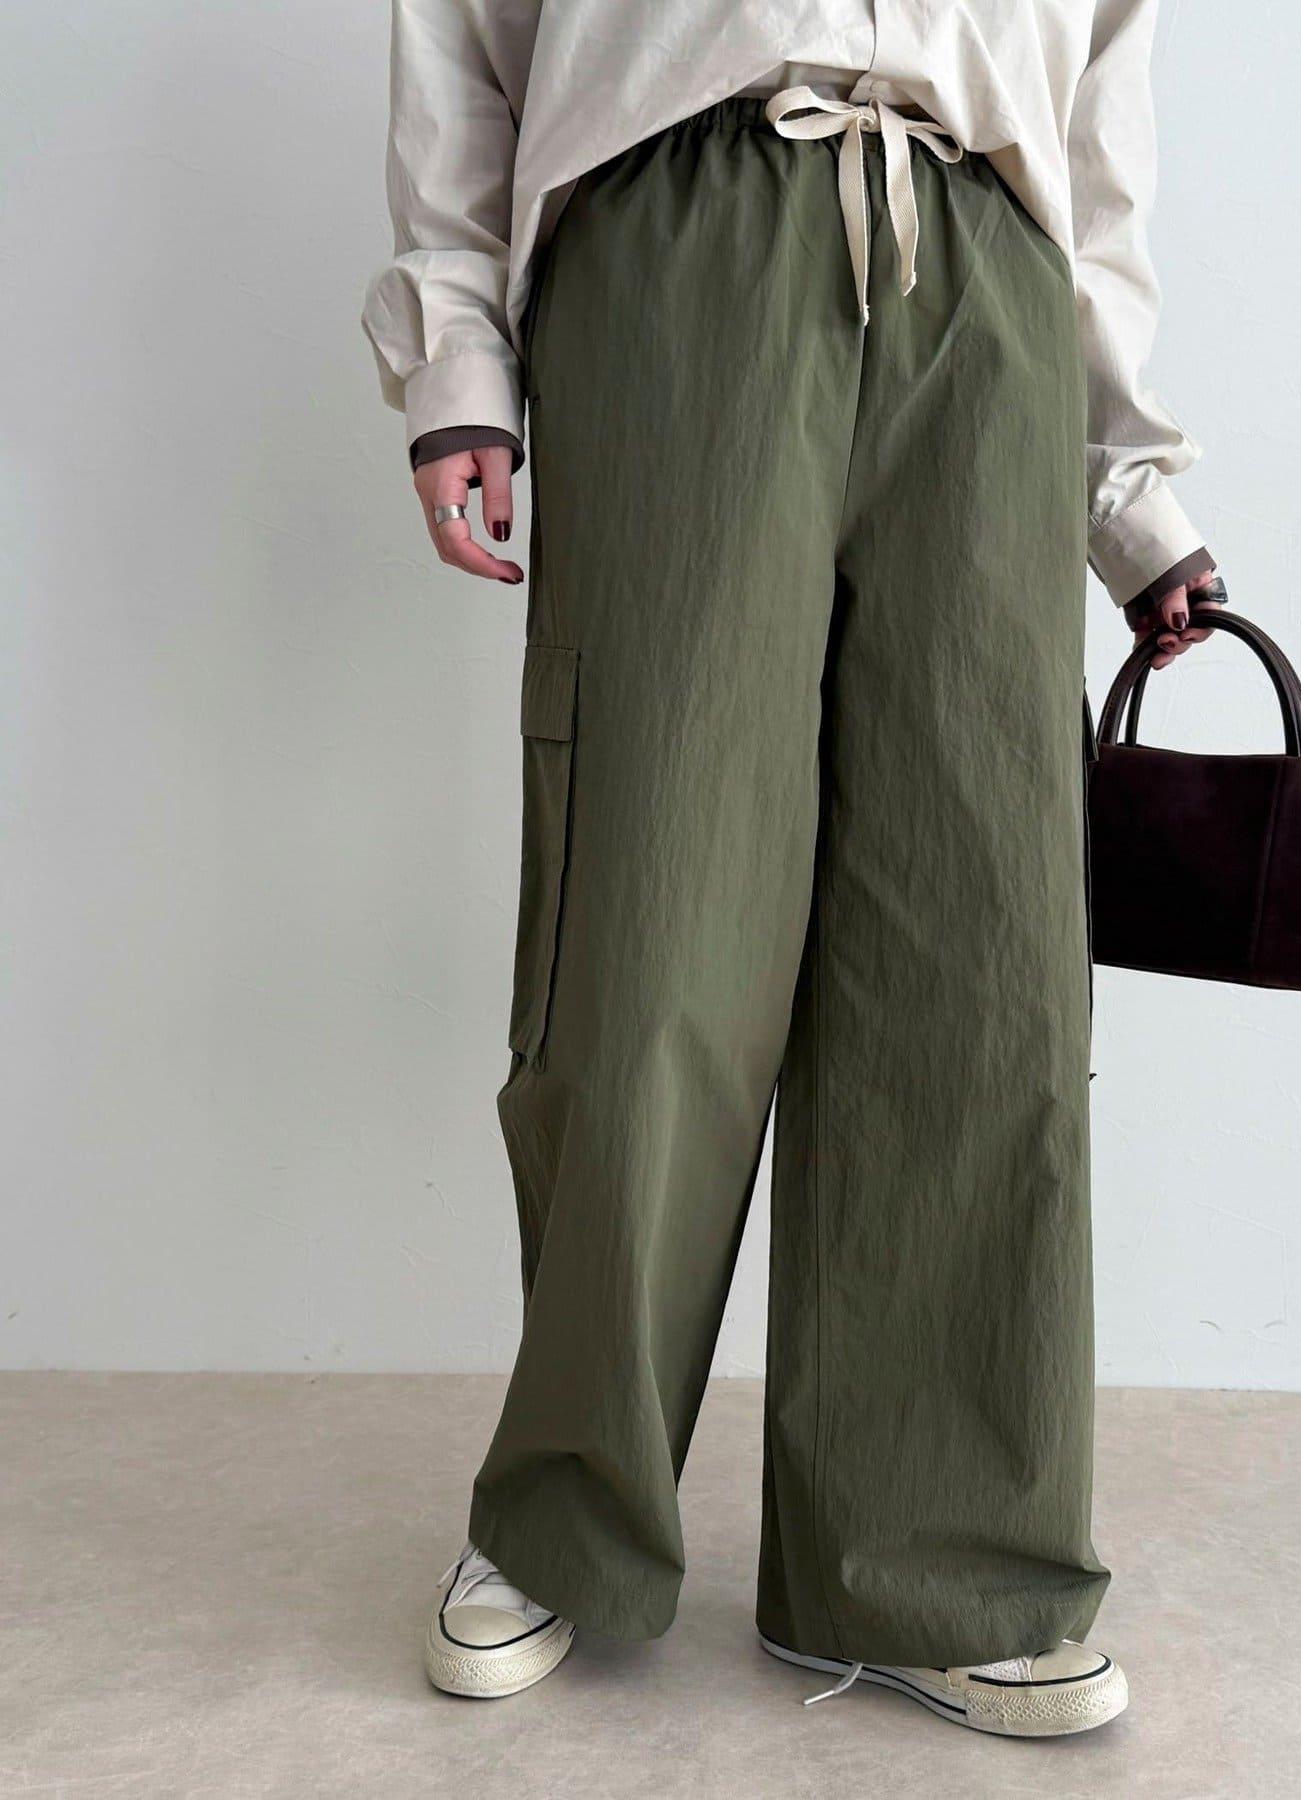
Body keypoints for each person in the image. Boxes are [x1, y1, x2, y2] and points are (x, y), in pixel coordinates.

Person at [363, 0, 1222, 1739]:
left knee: (978, 954)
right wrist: (459, 358)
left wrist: (1126, 483)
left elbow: (1100, 110)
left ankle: (945, 1565)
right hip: (670, 236)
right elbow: (461, 32)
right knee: (651, 930)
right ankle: (565, 1514)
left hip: (987, 269)